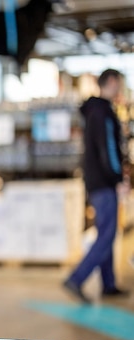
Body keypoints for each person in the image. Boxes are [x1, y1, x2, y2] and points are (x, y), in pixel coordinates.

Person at [63, 68, 129, 303]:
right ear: (111, 81)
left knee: (106, 232)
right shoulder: (102, 112)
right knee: (107, 234)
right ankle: (77, 278)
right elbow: (109, 150)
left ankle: (109, 283)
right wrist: (117, 178)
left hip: (96, 180)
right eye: (120, 83)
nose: (120, 88)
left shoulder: (93, 111)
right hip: (104, 182)